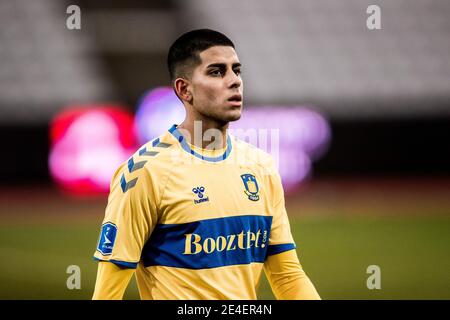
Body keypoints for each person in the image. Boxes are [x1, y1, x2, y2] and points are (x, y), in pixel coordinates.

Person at [92, 29, 320, 300]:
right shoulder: (145, 172)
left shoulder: (261, 167)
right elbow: (108, 293)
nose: (234, 81)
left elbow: (288, 277)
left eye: (236, 70)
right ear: (184, 89)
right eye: (216, 72)